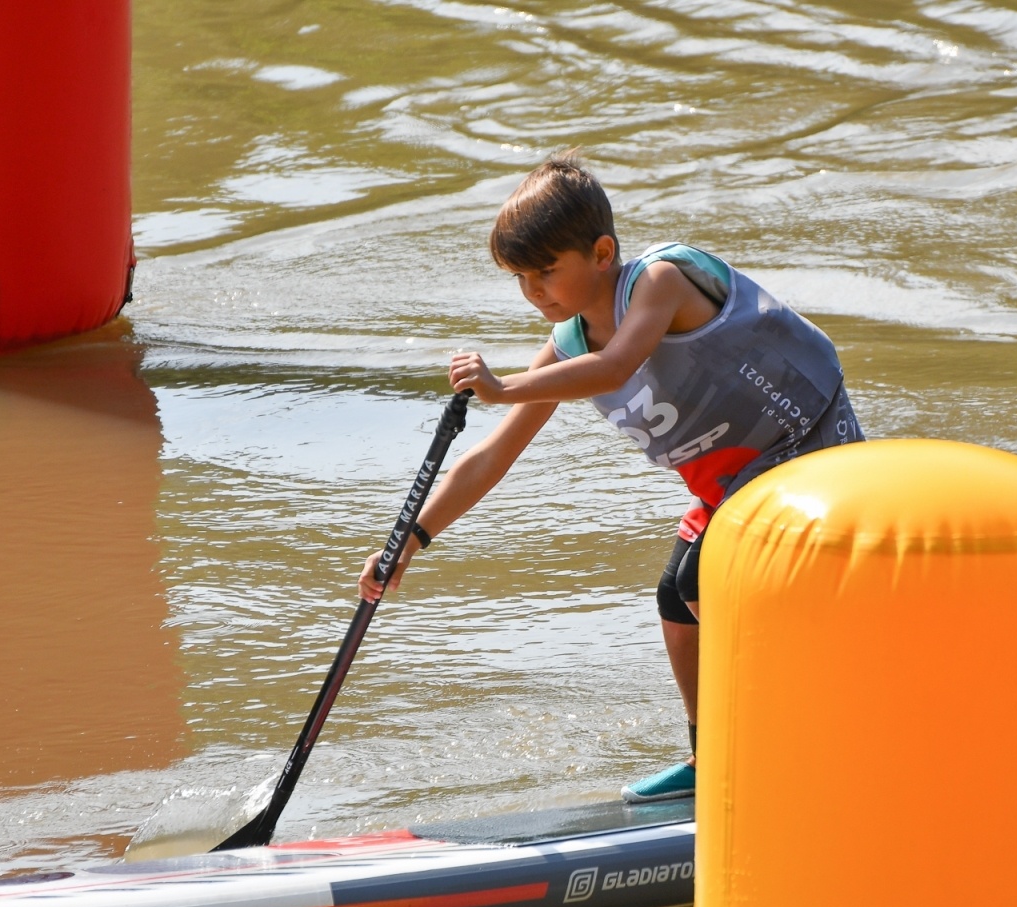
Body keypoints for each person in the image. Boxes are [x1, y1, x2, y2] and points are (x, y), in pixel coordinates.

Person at [359, 153, 862, 803]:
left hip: (807, 445)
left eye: (547, 271)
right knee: (674, 597)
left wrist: (504, 385)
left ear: (601, 253)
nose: (535, 291)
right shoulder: (568, 346)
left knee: (698, 579)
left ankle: (796, 739)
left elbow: (620, 366)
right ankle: (713, 758)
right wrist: (411, 539)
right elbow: (491, 457)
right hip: (734, 484)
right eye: (520, 278)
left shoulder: (664, 280)